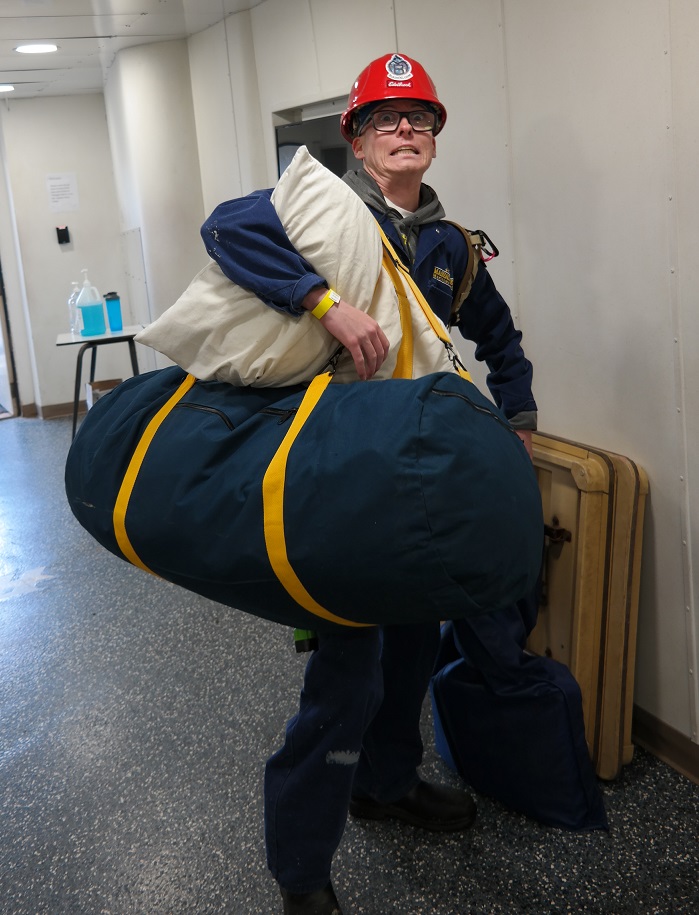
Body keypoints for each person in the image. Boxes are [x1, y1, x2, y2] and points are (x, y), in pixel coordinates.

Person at [201, 52, 537, 915]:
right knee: (346, 674)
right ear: (354, 135)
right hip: (334, 480)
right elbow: (225, 230)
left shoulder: (451, 247)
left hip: (411, 485)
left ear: (434, 140)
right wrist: (322, 301)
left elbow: (500, 341)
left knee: (415, 649)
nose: (404, 131)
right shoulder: (316, 211)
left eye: (419, 119)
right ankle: (301, 870)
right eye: (386, 119)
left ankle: (386, 783)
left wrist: (518, 427)